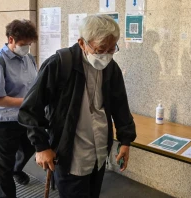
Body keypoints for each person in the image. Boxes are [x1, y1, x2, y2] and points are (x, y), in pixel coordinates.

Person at [18, 15, 137, 198]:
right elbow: (30, 109)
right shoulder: (59, 64)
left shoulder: (111, 68)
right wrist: (41, 146)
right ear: (82, 43)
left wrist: (126, 140)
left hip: (98, 153)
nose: (105, 55)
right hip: (70, 155)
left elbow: (120, 105)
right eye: (100, 49)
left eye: (112, 49)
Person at [0, 19, 38, 198]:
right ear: (11, 39)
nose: (27, 48)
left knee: (30, 147)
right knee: (3, 167)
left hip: (24, 117)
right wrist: (26, 101)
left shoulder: (29, 58)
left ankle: (17, 169)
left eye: (29, 44)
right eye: (23, 44)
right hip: (2, 121)